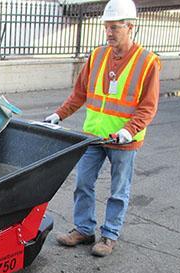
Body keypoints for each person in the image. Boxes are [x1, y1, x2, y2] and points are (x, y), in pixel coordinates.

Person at [45, 0, 160, 257]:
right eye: (106, 27)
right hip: (94, 137)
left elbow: (148, 106)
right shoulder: (97, 56)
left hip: (124, 141)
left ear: (130, 27)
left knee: (119, 190)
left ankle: (109, 236)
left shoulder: (147, 62)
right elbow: (79, 94)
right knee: (83, 182)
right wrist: (58, 114)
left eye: (115, 27)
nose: (109, 33)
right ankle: (85, 230)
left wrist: (129, 130)